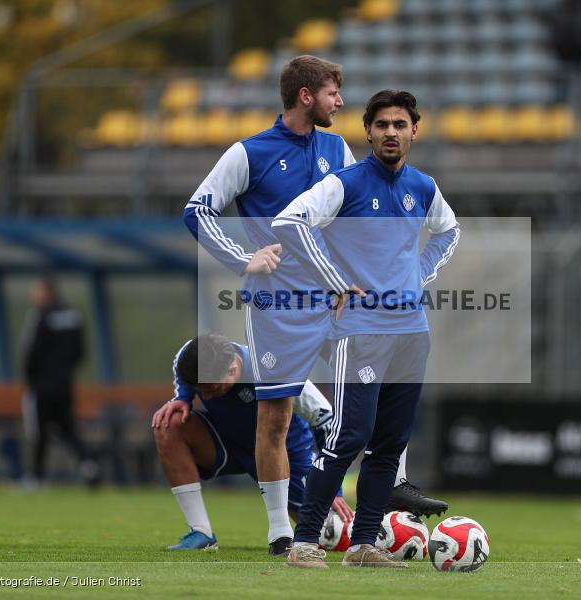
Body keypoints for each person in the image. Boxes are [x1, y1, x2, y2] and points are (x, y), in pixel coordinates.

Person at [183, 56, 447, 553]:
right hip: (278, 306)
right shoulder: (248, 153)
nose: (339, 102)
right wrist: (243, 258)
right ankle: (280, 532)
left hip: (339, 301)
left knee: (382, 389)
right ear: (306, 96)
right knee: (276, 416)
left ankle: (393, 485)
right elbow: (197, 210)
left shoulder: (337, 148)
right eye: (332, 93)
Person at [272, 90, 460, 568]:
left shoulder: (423, 186)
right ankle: (304, 543)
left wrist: (419, 274)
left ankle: (362, 547)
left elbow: (449, 231)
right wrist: (334, 280)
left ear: (414, 131)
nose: (391, 132)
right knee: (348, 437)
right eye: (381, 125)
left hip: (411, 331)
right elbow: (289, 221)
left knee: (390, 443)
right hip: (358, 331)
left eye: (400, 124)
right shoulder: (345, 184)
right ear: (368, 132)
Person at [151, 333, 353, 553]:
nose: (206, 398)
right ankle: (201, 532)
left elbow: (328, 420)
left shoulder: (276, 371)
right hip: (227, 444)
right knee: (168, 423)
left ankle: (375, 531)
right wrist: (183, 397)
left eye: (213, 390)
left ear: (232, 369)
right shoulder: (192, 355)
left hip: (285, 457)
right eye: (201, 391)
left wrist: (331, 487)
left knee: (332, 534)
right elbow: (181, 366)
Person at [20, 277, 98, 487]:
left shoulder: (39, 316)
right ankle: (88, 464)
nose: (33, 295)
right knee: (67, 428)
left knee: (39, 430)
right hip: (64, 384)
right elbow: (80, 351)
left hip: (42, 385)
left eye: (36, 291)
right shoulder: (72, 316)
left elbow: (31, 351)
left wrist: (30, 378)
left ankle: (36, 477)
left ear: (47, 292)